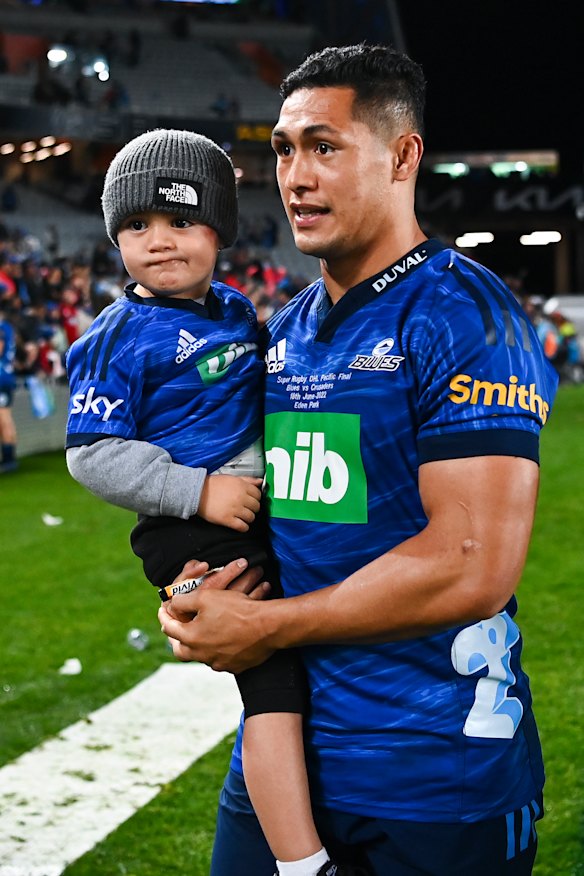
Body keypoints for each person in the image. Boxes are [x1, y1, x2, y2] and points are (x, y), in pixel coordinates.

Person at [158, 45, 559, 875]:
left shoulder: (465, 316)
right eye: (283, 149)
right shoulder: (283, 329)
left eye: (325, 146)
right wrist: (199, 586)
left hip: (436, 775)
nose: (295, 176)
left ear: (403, 155)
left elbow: (469, 564)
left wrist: (262, 628)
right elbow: (267, 511)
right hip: (287, 767)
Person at [64, 128, 349, 876]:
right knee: (273, 686)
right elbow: (90, 454)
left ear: (220, 229)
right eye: (135, 226)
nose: (158, 241)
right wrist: (198, 489)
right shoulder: (117, 336)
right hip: (189, 523)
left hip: (250, 511)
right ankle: (300, 862)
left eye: (181, 221)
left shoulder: (230, 309)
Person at [0, 302, 18, 473]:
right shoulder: (8, 327)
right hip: (6, 375)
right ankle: (9, 458)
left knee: (4, 418)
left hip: (1, 376)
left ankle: (8, 460)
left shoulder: (1, 327)